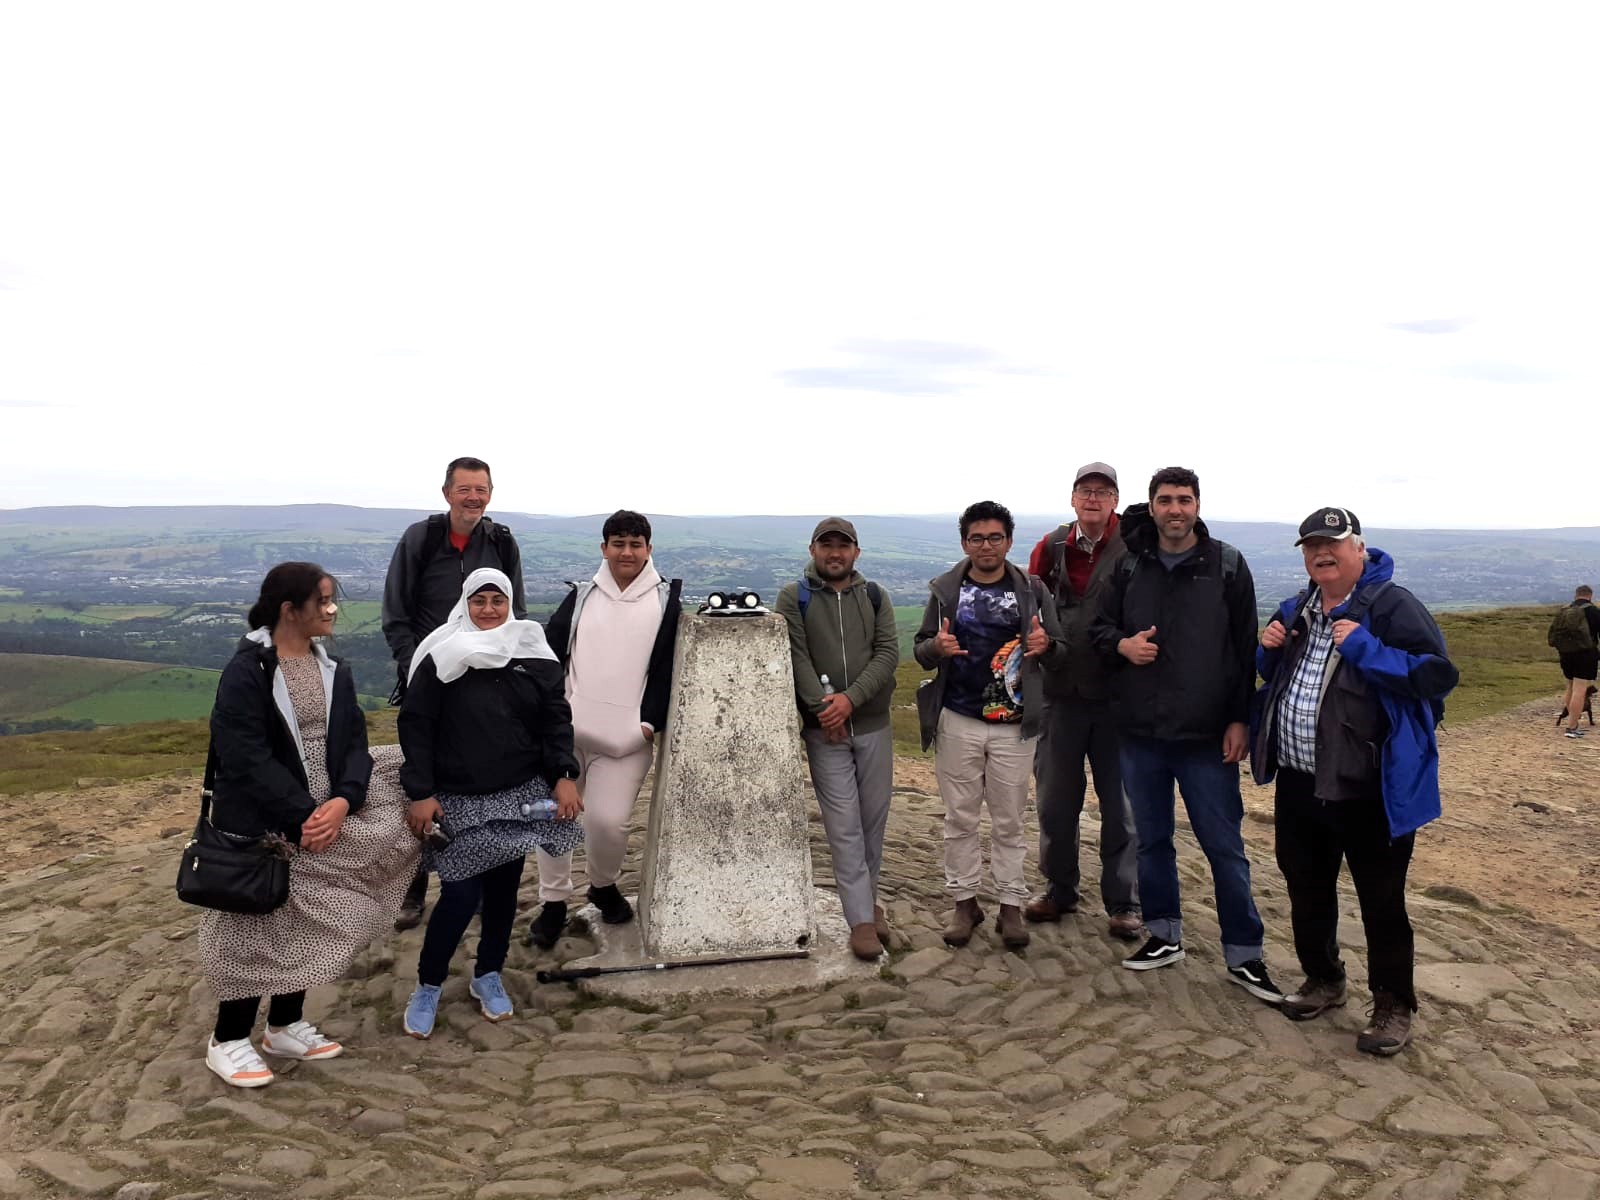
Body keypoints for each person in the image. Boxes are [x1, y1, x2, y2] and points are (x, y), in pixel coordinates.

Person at [200, 562, 418, 1088]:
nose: (332, 609)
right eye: (322, 601)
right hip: (267, 815)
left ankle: (283, 1024)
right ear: (288, 610)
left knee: (305, 922)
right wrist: (302, 814)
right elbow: (244, 756)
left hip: (326, 807)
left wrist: (343, 800)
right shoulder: (248, 671)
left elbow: (354, 744)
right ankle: (228, 1038)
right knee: (255, 920)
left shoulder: (333, 668)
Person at [1253, 507, 1457, 1055]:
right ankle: (1324, 979)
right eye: (1311, 545)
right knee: (1305, 886)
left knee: (1381, 900)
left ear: (1358, 549)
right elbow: (1275, 678)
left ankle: (1393, 1004)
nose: (1322, 552)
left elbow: (1438, 675)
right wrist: (1266, 650)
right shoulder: (1297, 608)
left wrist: (1367, 648)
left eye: (1333, 543)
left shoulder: (1392, 605)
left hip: (1370, 786)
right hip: (1300, 779)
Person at [1089, 467, 1283, 1004]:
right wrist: (1123, 646)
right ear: (1151, 506)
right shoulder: (1129, 563)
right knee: (1152, 841)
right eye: (1165, 500)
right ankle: (1164, 934)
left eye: (1184, 500)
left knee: (1224, 848)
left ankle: (1244, 954)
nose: (1175, 509)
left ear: (1197, 505)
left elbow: (1244, 648)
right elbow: (1098, 628)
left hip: (1206, 736)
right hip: (1141, 733)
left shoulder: (1226, 564)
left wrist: (1240, 719)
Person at [397, 568, 583, 1038]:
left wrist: (564, 775)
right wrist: (420, 791)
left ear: (510, 604)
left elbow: (555, 720)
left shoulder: (531, 653)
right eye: (478, 600)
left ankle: (488, 974)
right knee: (459, 896)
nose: (488, 609)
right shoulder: (441, 655)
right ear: (465, 604)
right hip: (457, 797)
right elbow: (416, 726)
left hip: (516, 793)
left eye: (497, 600)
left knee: (502, 893)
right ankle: (428, 984)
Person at [913, 500, 1066, 951]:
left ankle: (1010, 906)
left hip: (1015, 726)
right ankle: (964, 903)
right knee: (959, 817)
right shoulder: (946, 589)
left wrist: (1047, 645)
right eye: (977, 538)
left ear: (1009, 542)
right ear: (965, 543)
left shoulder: (1033, 590)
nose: (986, 546)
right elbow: (922, 648)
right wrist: (936, 648)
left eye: (995, 537)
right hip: (958, 718)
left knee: (1009, 821)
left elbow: (1060, 649)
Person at [525, 511, 683, 948]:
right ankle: (553, 901)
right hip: (566, 735)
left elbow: (670, 667)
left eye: (635, 544)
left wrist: (648, 724)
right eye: (618, 543)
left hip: (627, 739)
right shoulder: (582, 596)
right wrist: (549, 715)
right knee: (551, 816)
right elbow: (550, 654)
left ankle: (602, 884)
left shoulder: (665, 601)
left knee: (608, 822)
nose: (626, 552)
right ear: (604, 548)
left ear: (649, 549)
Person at [383, 456, 527, 931]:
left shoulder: (501, 542)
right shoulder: (421, 539)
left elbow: (515, 610)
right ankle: (413, 886)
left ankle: (477, 876)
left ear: (491, 494)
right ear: (447, 493)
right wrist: (417, 668)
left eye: (481, 489)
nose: (473, 498)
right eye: (464, 489)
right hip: (431, 682)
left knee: (480, 781)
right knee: (423, 780)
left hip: (485, 686)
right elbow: (396, 613)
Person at [1024, 462, 1141, 940]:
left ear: (1115, 500)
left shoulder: (1135, 546)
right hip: (1060, 693)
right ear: (1073, 499)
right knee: (1055, 801)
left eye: (1103, 491)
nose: (1093, 498)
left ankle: (1125, 901)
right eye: (1085, 490)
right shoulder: (1051, 547)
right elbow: (1027, 603)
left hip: (1118, 698)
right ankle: (1059, 889)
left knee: (1122, 807)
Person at [776, 517, 900, 960]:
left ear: (856, 552)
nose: (835, 553)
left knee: (872, 824)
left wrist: (850, 700)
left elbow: (888, 652)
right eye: (826, 545)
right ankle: (861, 921)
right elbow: (795, 656)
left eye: (843, 546)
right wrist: (824, 708)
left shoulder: (875, 596)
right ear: (813, 550)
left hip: (873, 725)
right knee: (844, 826)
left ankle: (870, 901)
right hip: (823, 731)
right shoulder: (794, 596)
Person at [1547, 584, 1600, 739]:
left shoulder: (1564, 610)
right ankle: (1571, 727)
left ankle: (1572, 722)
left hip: (1565, 653)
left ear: (1576, 595)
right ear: (1590, 596)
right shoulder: (1593, 611)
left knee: (1570, 686)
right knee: (1580, 689)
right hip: (1585, 654)